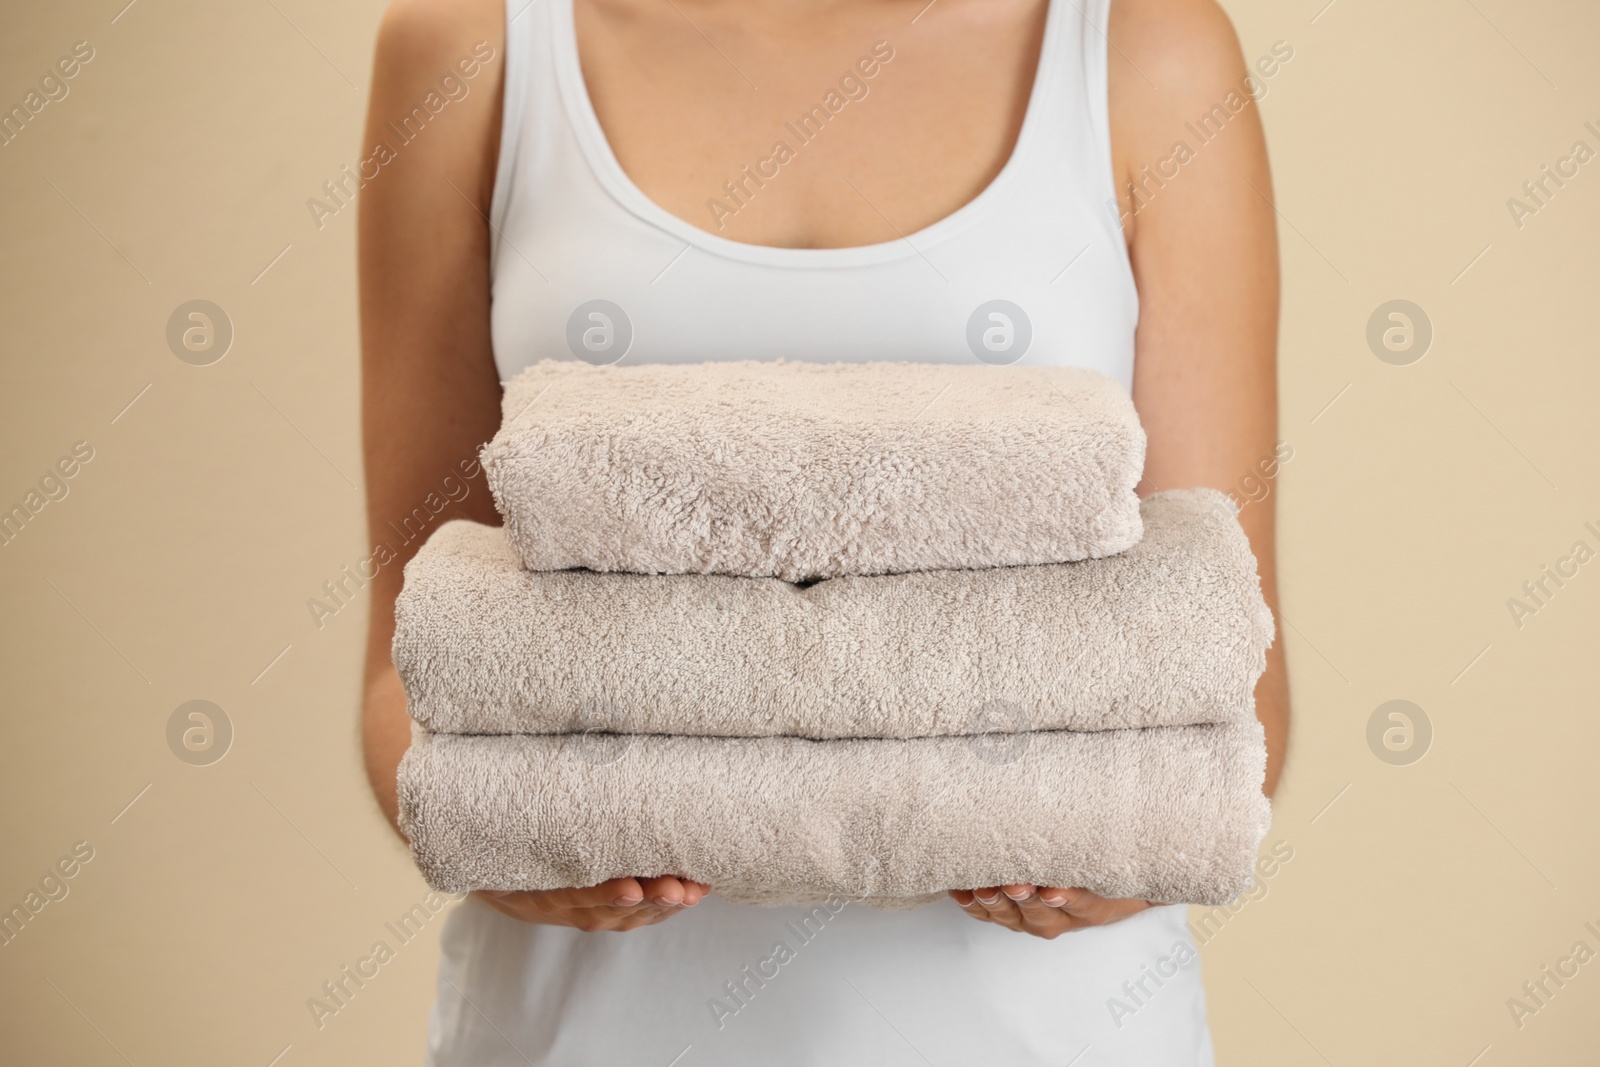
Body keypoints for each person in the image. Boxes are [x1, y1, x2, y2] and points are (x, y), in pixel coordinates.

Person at [359, 0, 1289, 1061]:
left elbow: (1222, 666)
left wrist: (1118, 843)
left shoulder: (1141, 43)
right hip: (591, 1032)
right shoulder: (470, 40)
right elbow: (415, 659)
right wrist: (515, 833)